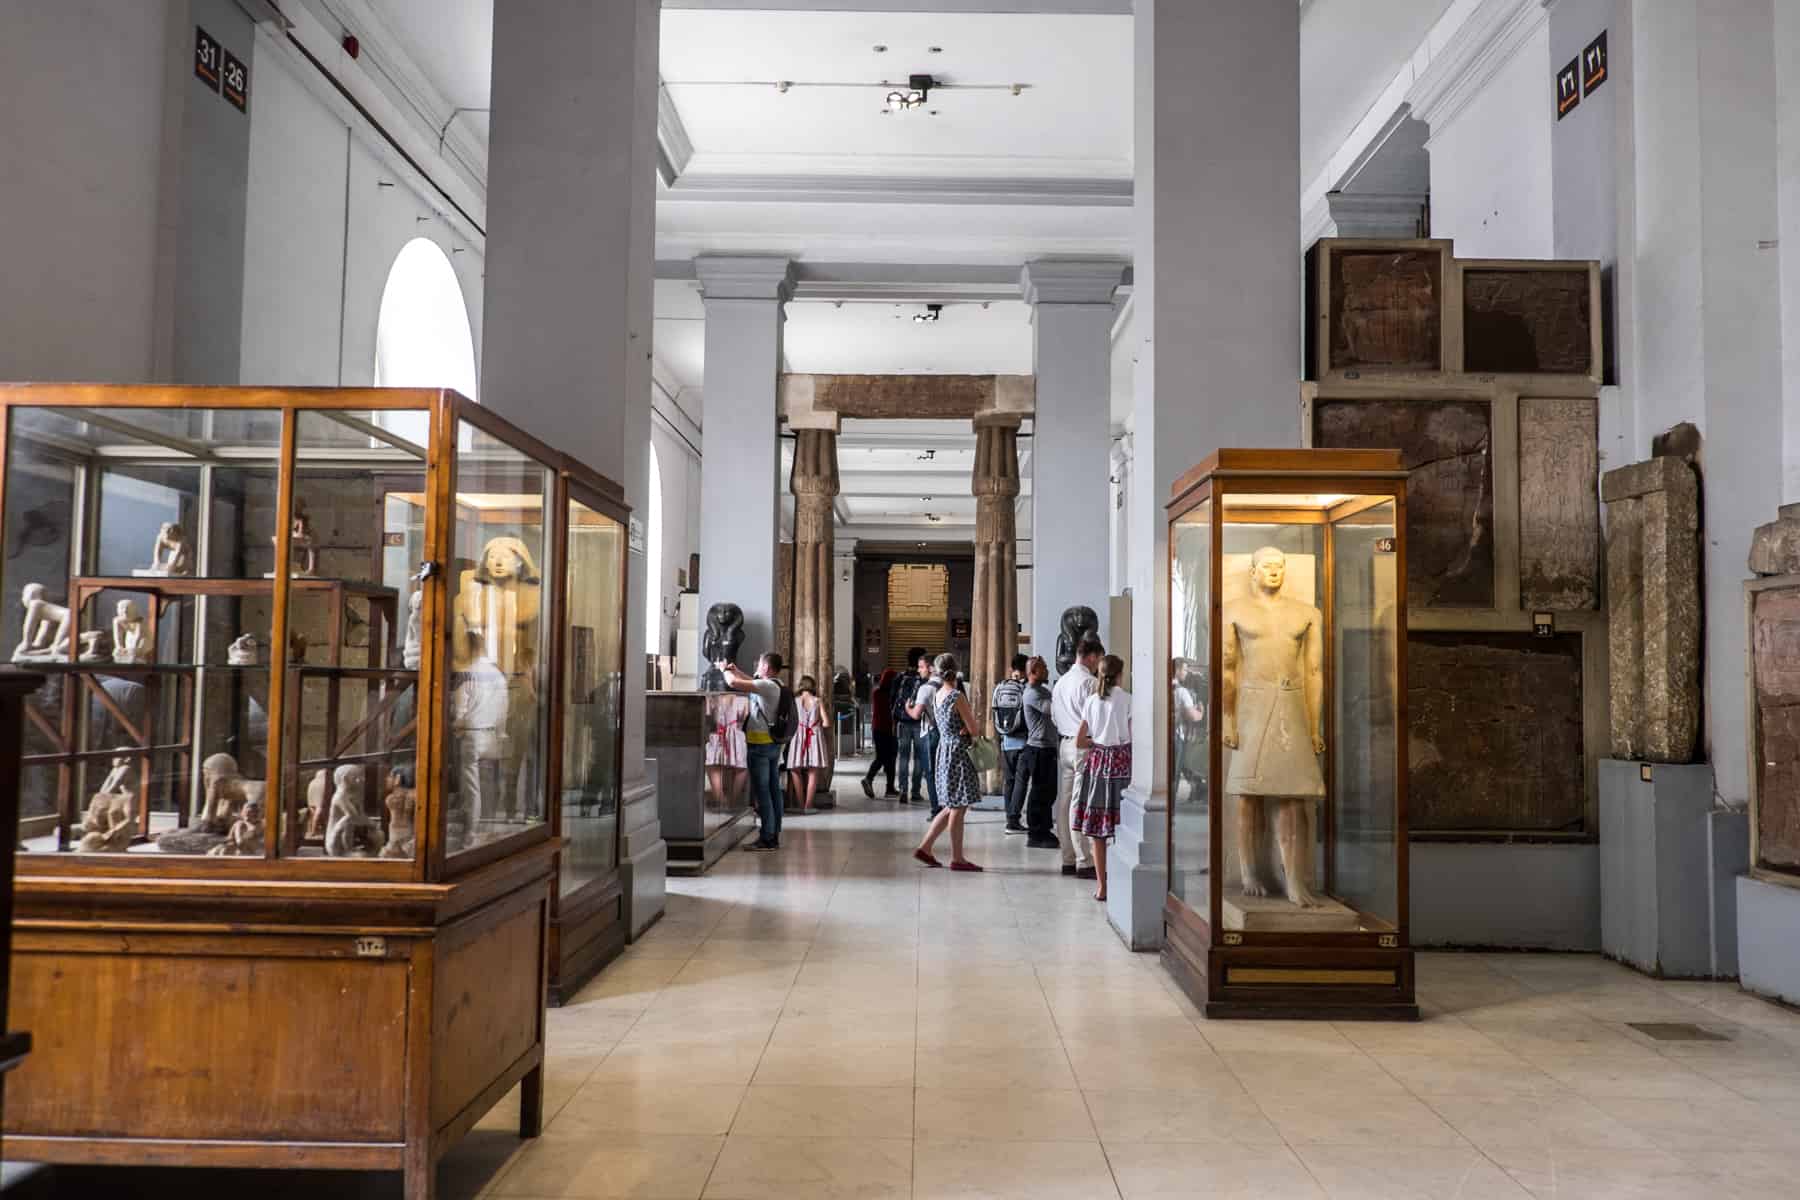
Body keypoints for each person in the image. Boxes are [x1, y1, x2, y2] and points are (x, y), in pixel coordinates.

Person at [912, 655, 982, 871]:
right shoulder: (957, 696)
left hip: (944, 750)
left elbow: (946, 723)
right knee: (959, 805)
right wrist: (969, 726)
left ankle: (925, 847)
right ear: (957, 669)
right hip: (958, 752)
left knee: (951, 804)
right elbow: (974, 729)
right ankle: (957, 858)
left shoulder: (938, 695)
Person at [1073, 654, 1131, 902]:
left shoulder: (1092, 701)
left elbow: (1079, 740)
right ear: (1119, 674)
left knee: (1098, 830)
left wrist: (1096, 741)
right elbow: (1133, 735)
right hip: (1120, 761)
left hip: (1097, 761)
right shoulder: (1127, 699)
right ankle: (1122, 883)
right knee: (1124, 825)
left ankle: (1102, 886)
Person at [720, 653, 787, 851]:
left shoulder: (766, 686)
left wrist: (724, 669)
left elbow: (734, 683)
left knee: (763, 791)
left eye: (759, 664)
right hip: (772, 745)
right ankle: (774, 832)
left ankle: (767, 837)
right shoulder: (775, 684)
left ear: (766, 667)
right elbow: (751, 681)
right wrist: (736, 670)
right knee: (774, 789)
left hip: (760, 745)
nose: (757, 667)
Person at [1052, 636, 1103, 879]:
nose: (1099, 664)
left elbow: (1053, 716)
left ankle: (1068, 859)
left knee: (1064, 802)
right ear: (1092, 656)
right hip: (1083, 746)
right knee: (1078, 803)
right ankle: (1084, 861)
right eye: (1099, 659)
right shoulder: (1090, 683)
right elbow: (1095, 719)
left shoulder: (1061, 682)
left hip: (1064, 743)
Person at [1008, 655, 1060, 849]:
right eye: (1043, 668)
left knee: (1048, 792)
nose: (1047, 670)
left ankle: (1044, 830)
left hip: (1047, 748)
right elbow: (1053, 710)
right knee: (1039, 792)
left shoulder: (1042, 690)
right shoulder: (1032, 694)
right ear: (1032, 672)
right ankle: (1036, 833)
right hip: (1038, 749)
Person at [992, 653, 1029, 832]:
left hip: (1006, 741)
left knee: (1009, 781)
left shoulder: (1000, 687)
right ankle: (1014, 820)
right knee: (1021, 782)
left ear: (1011, 669)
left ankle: (1009, 817)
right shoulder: (1026, 688)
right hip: (1023, 741)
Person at [908, 651, 944, 816]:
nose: (919, 670)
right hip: (946, 734)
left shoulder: (926, 688)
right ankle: (948, 806)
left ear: (930, 668)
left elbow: (916, 714)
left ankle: (936, 809)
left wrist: (907, 708)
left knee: (930, 773)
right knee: (943, 770)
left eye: (921, 667)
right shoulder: (947, 685)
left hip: (930, 732)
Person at [788, 675, 830, 814]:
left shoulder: (795, 701)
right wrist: (815, 724)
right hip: (814, 736)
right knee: (813, 771)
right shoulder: (817, 701)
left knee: (795, 769)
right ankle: (808, 806)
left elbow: (790, 721)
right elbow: (826, 723)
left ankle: (800, 805)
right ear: (813, 686)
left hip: (798, 736)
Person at [893, 646, 928, 804]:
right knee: (920, 757)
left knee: (904, 757)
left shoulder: (900, 677)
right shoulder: (924, 679)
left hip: (903, 721)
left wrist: (895, 718)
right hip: (920, 722)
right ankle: (915, 791)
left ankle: (902, 789)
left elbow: (892, 698)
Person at [1171, 657, 1207, 802]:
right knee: (1174, 774)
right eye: (1185, 669)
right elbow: (1193, 716)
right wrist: (1201, 711)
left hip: (1164, 736)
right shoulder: (1181, 692)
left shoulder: (1162, 687)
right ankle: (1171, 807)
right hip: (1176, 736)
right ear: (1178, 670)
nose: (1187, 672)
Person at [862, 667, 901, 799]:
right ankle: (868, 779)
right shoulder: (888, 694)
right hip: (886, 730)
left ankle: (889, 788)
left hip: (880, 729)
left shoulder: (877, 693)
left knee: (889, 758)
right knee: (884, 757)